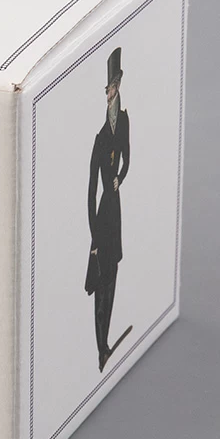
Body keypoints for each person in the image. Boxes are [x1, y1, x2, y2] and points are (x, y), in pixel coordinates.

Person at [86, 48, 134, 372]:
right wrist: (93, 236)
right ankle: (101, 345)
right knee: (101, 281)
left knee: (113, 275)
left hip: (115, 211)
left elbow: (128, 157)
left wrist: (121, 177)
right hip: (103, 214)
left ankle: (104, 343)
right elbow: (91, 192)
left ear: (117, 87)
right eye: (106, 89)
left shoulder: (123, 121)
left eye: (111, 87)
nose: (108, 93)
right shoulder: (100, 138)